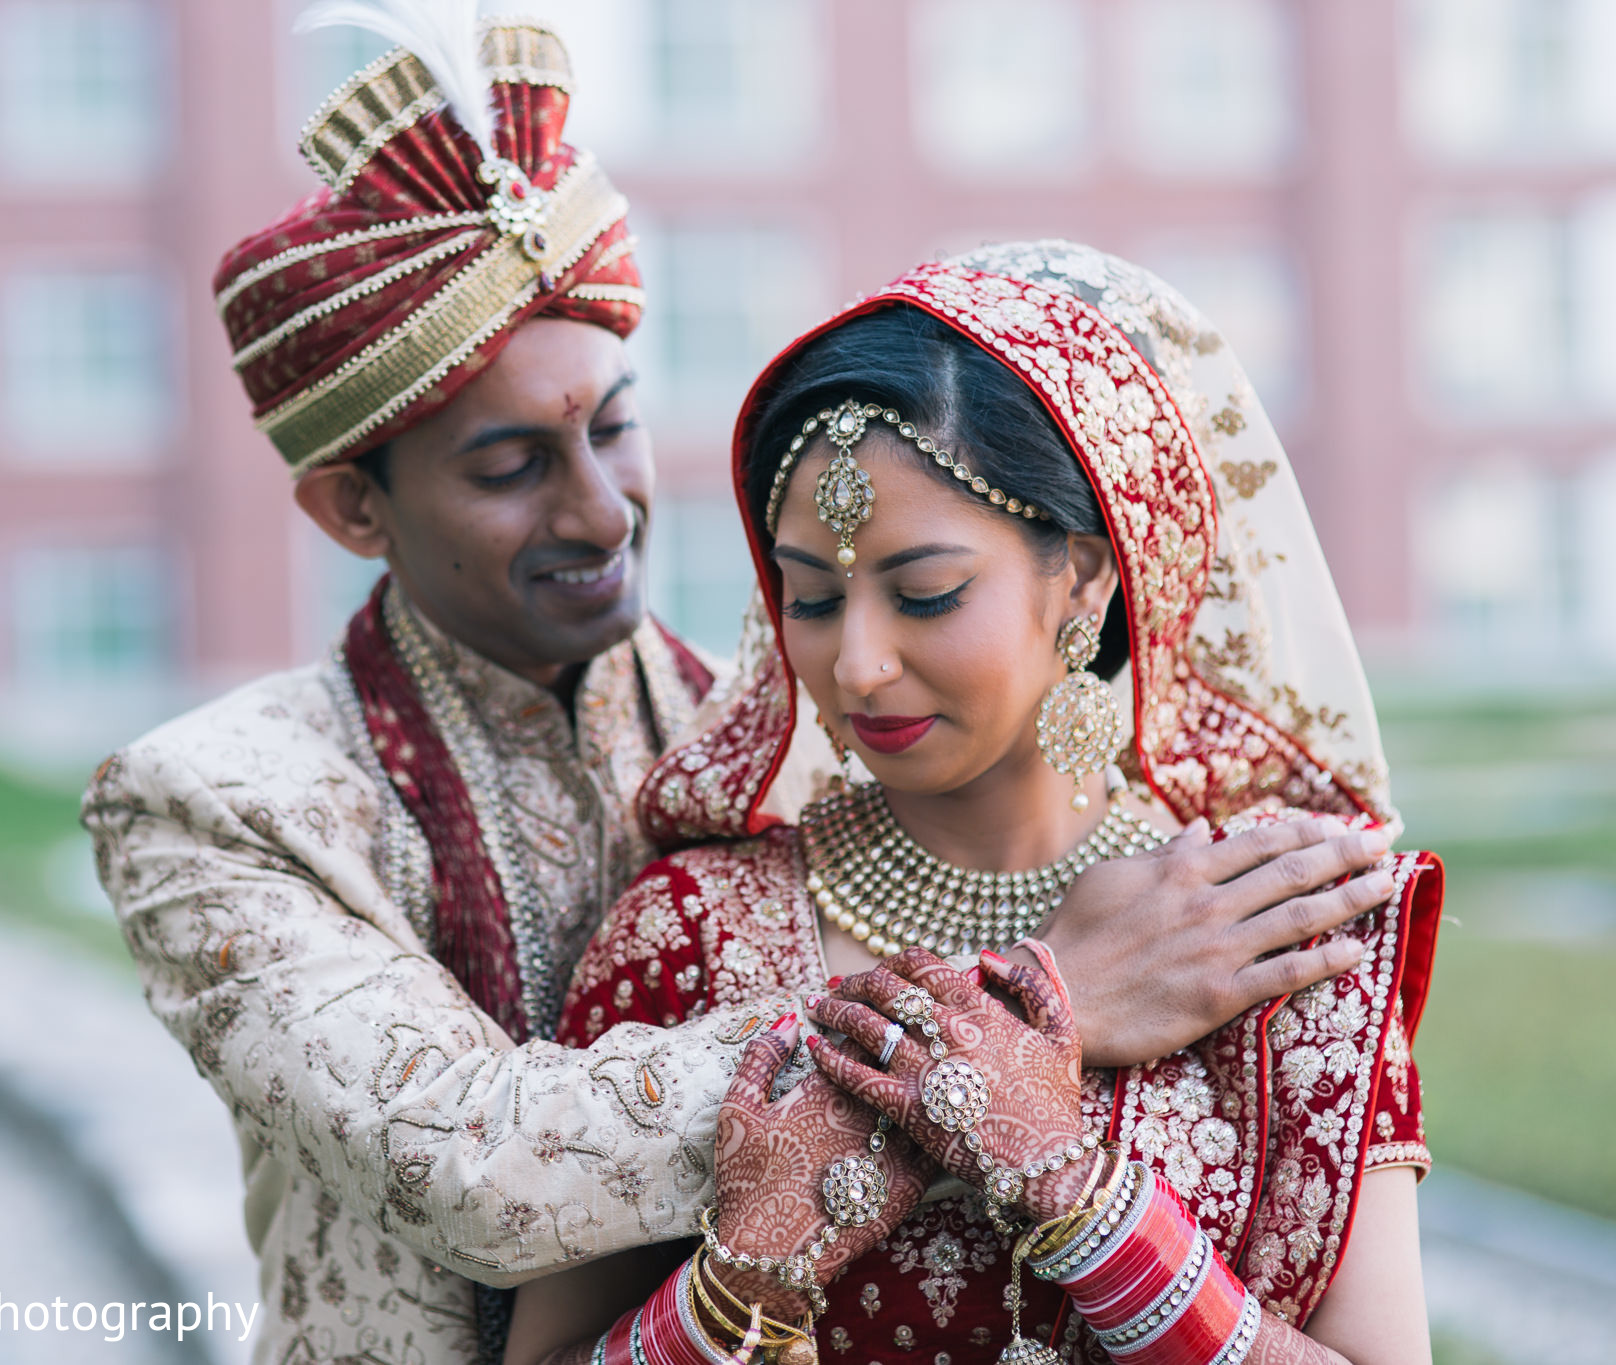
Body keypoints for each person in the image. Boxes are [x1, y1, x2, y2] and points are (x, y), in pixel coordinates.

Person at [81, 11, 1408, 1363]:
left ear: (1087, 574)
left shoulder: (799, 746)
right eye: (510, 467)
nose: (605, 514)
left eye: (613, 426)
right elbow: (467, 1164)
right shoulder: (224, 803)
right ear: (353, 509)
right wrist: (1024, 1008)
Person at [522, 244, 1441, 1365]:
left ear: (1088, 579)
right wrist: (746, 1274)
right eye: (808, 596)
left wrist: (1081, 1198)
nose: (856, 664)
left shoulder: (1271, 930)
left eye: (925, 594)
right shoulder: (687, 933)